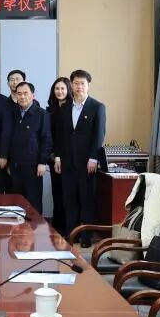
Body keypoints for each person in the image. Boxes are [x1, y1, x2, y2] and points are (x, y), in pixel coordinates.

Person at [54, 70, 106, 246]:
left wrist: (94, 158)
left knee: (86, 200)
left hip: (87, 163)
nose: (79, 87)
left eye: (82, 83)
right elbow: (60, 136)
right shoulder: (65, 108)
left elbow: (99, 134)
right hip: (67, 162)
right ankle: (72, 235)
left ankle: (85, 237)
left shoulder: (97, 107)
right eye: (76, 83)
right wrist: (58, 157)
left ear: (88, 85)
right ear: (71, 85)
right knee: (69, 200)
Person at [0, 82, 52, 214]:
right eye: (19, 94)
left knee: (33, 202)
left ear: (33, 95)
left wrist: (42, 162)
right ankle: (18, 227)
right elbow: (8, 137)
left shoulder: (42, 114)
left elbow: (46, 140)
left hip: (33, 166)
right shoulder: (13, 113)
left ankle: (34, 227)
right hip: (15, 165)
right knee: (16, 202)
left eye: (25, 93)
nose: (22, 97)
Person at [46, 77, 73, 233]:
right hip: (53, 157)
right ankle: (57, 229)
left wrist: (60, 156)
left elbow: (67, 137)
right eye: (57, 88)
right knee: (56, 193)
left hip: (68, 158)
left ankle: (69, 229)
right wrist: (54, 156)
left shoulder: (73, 109)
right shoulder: (50, 110)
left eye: (63, 88)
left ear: (68, 90)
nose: (60, 91)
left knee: (68, 195)